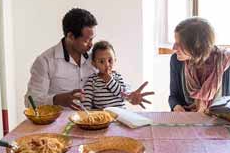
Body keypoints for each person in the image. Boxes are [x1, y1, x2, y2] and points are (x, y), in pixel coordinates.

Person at [25, 8, 154, 110]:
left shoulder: (97, 58)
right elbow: (30, 101)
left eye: (93, 38)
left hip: (95, 123)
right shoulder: (45, 61)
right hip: (61, 124)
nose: (92, 44)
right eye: (87, 40)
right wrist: (57, 99)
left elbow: (114, 83)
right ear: (70, 36)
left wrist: (130, 96)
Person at [169, 17, 230, 112]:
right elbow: (173, 97)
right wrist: (176, 106)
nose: (174, 48)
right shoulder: (176, 61)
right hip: (187, 120)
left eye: (180, 44)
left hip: (220, 123)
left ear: (197, 46)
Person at [82, 41, 128, 109]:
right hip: (102, 115)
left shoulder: (117, 76)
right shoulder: (92, 80)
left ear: (115, 60)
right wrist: (86, 113)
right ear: (94, 64)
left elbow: (123, 95)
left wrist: (109, 80)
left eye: (110, 60)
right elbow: (86, 100)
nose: (107, 64)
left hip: (121, 114)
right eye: (101, 61)